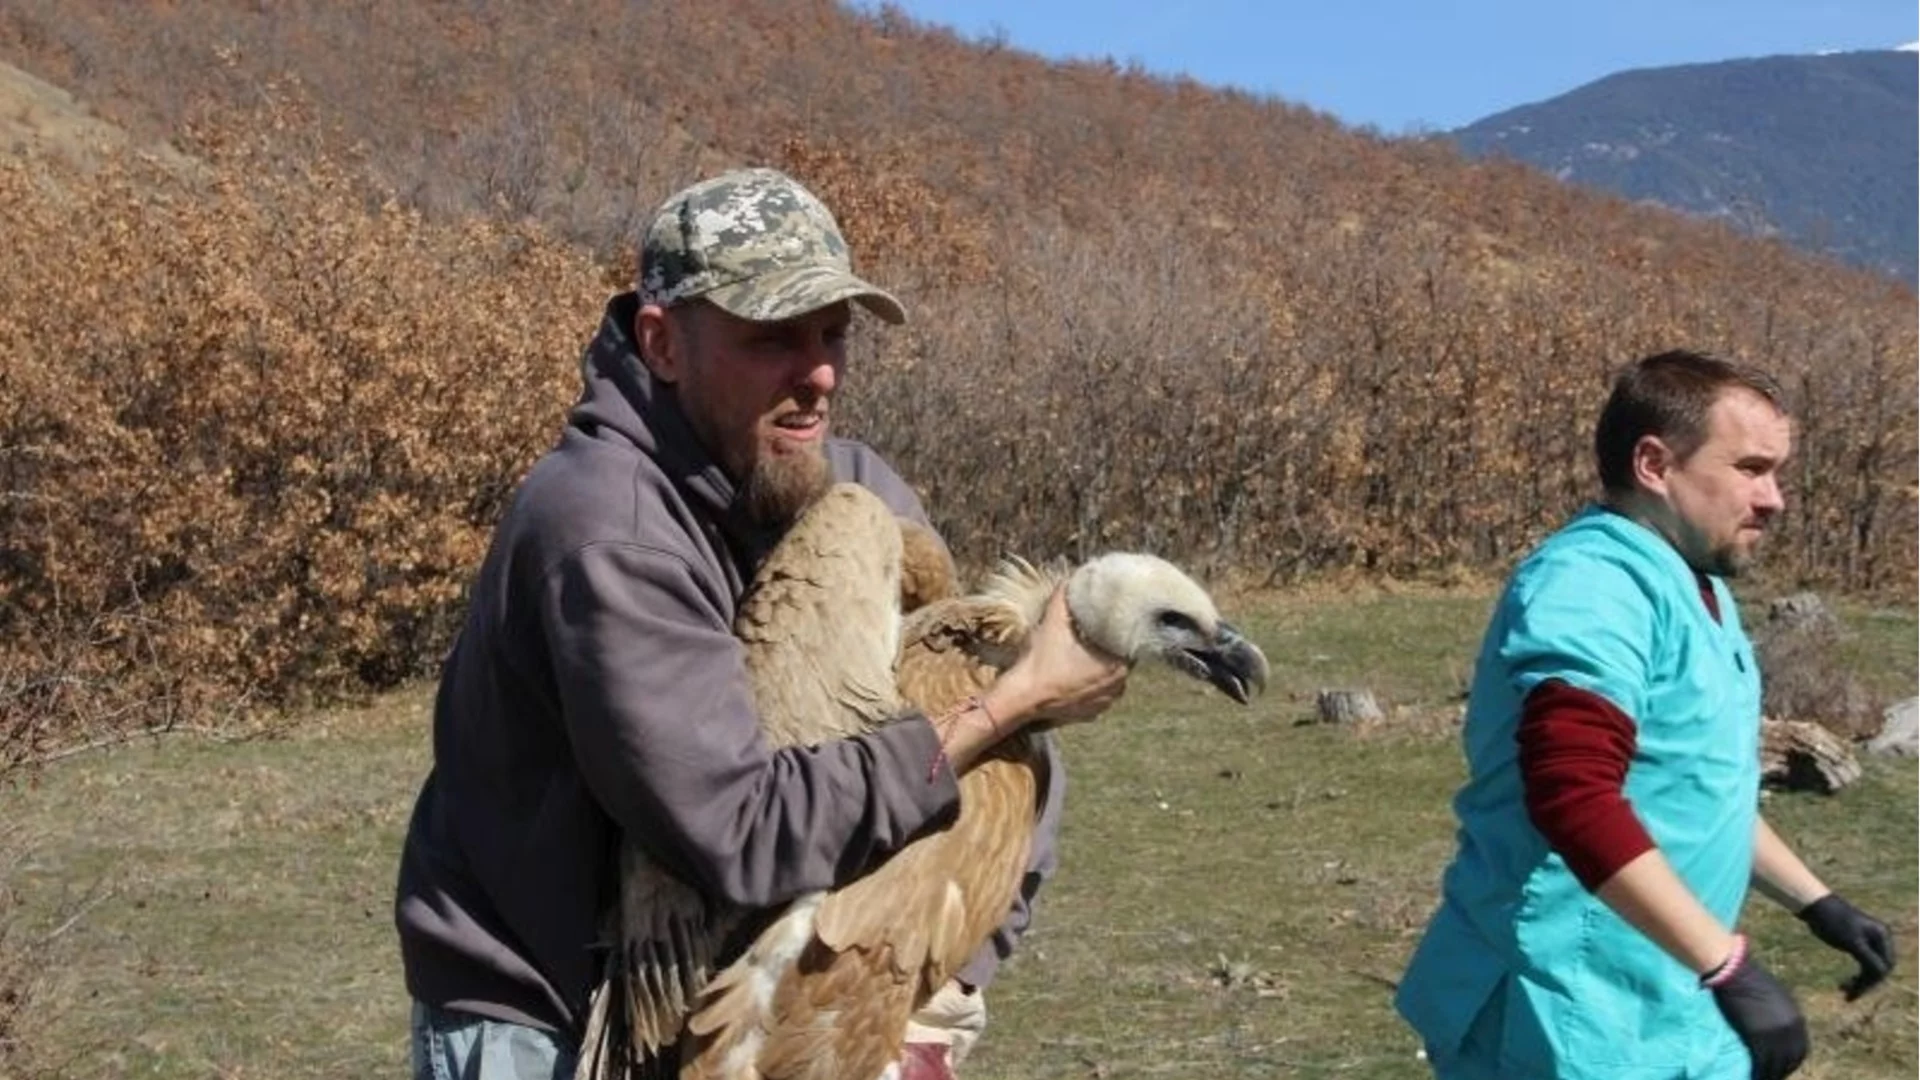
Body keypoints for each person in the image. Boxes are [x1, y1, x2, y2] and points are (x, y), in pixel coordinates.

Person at [394, 167, 1129, 1080]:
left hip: (755, 1008)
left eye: (833, 335)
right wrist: (1014, 702)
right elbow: (742, 829)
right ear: (662, 345)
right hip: (543, 1018)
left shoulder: (852, 484)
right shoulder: (606, 532)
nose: (818, 375)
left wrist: (944, 987)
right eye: (774, 337)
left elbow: (997, 786)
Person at [1394, 350, 1897, 1080]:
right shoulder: (1592, 584)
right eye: (1751, 469)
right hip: (1559, 1007)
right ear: (1655, 464)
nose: (1775, 498)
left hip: (1659, 997)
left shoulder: (1697, 582)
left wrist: (1817, 903)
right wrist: (1725, 963)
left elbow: (1695, 786)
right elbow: (1575, 794)